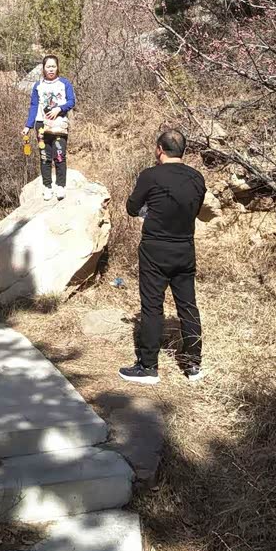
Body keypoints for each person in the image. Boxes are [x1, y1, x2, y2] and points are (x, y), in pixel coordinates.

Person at [119, 129, 206, 385]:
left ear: (159, 149)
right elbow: (195, 210)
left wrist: (150, 210)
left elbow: (132, 208)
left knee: (152, 307)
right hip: (185, 248)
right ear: (183, 151)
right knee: (188, 306)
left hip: (155, 249)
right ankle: (193, 366)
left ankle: (148, 367)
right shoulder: (196, 178)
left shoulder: (151, 176)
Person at [22, 55, 76, 201]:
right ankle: (47, 186)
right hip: (41, 125)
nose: (51, 69)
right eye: (48, 67)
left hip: (59, 124)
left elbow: (72, 101)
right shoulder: (38, 85)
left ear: (57, 67)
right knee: (45, 157)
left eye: (53, 66)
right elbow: (34, 106)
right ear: (43, 68)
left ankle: (60, 185)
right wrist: (28, 125)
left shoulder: (64, 83)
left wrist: (59, 109)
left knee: (59, 155)